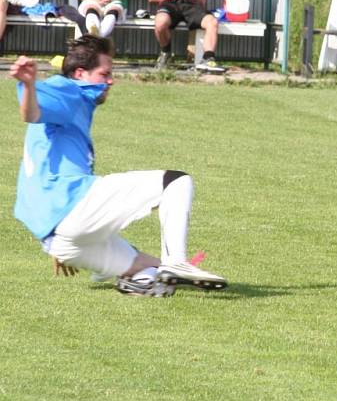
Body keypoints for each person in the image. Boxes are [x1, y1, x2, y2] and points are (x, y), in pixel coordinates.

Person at [9, 35, 227, 298]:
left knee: (156, 272)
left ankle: (144, 283)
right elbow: (30, 114)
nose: (111, 80)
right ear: (80, 73)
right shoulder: (69, 89)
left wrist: (59, 233)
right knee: (176, 182)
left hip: (58, 239)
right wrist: (29, 84)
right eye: (105, 73)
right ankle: (177, 261)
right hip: (70, 206)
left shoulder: (74, 101)